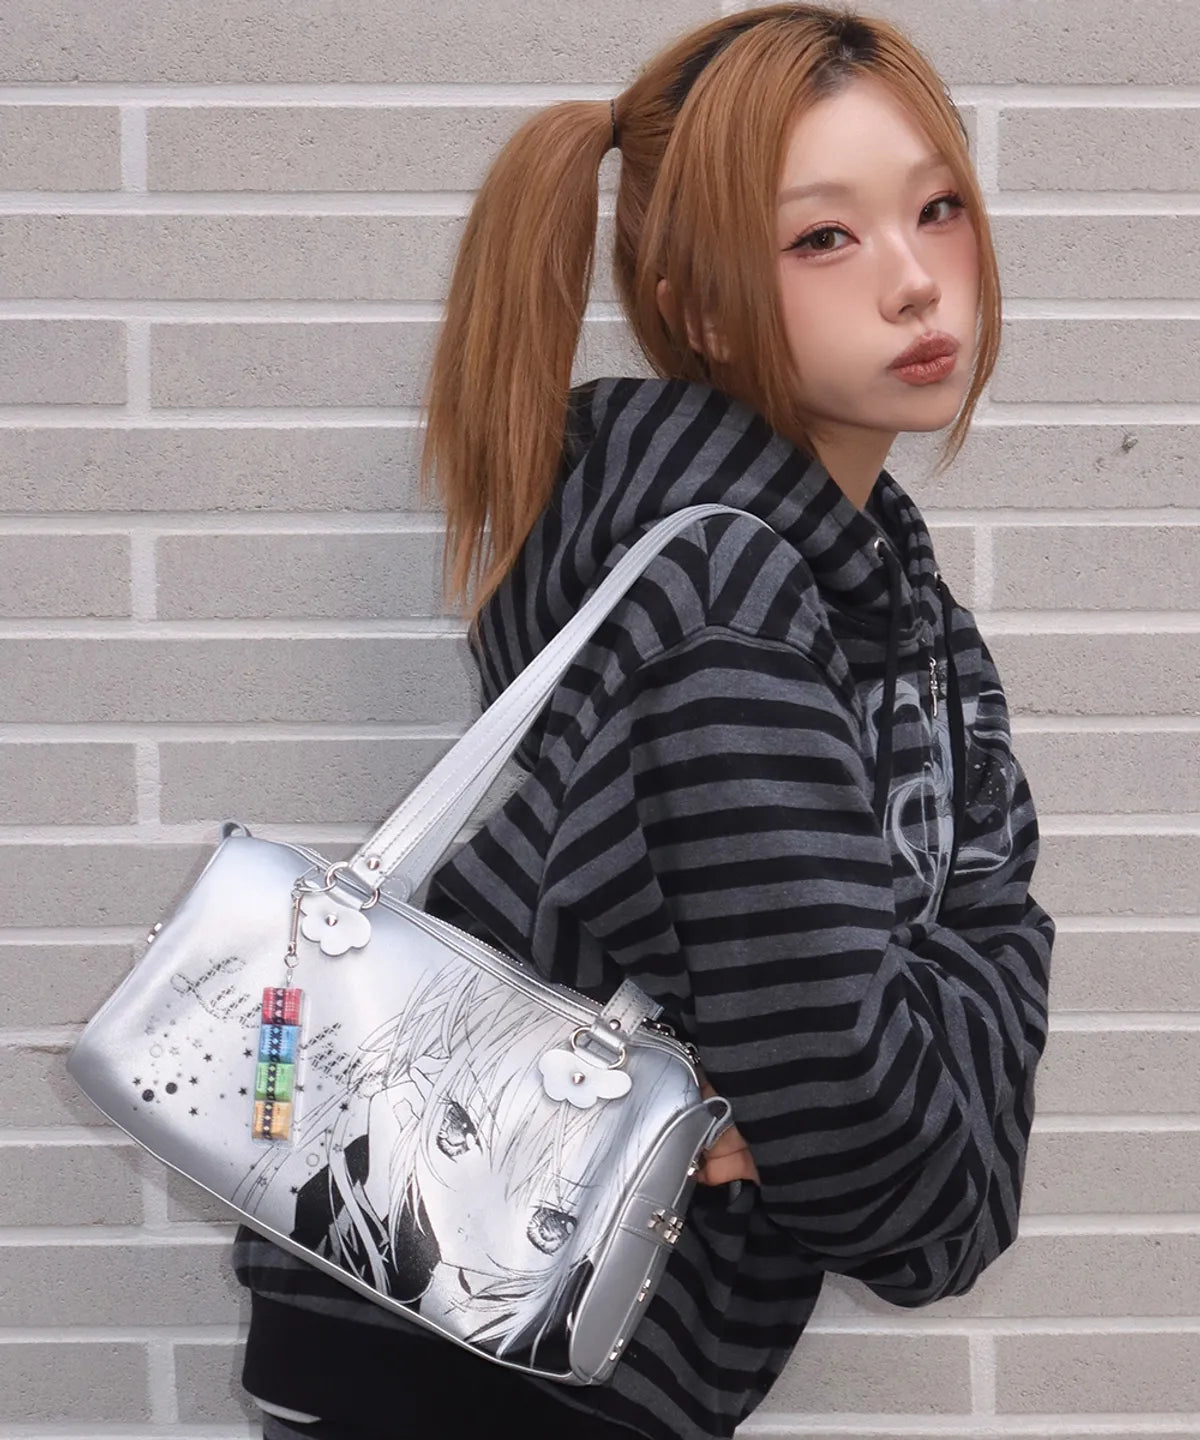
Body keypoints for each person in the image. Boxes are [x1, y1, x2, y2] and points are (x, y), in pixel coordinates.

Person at [232, 5, 1056, 1438]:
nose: (917, 280)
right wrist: (880, 1079)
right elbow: (888, 1164)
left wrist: (855, 1074)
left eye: (939, 209)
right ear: (702, 308)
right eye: (825, 238)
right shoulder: (734, 599)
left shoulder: (893, 617)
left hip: (465, 1330)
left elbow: (882, 1056)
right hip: (494, 1364)